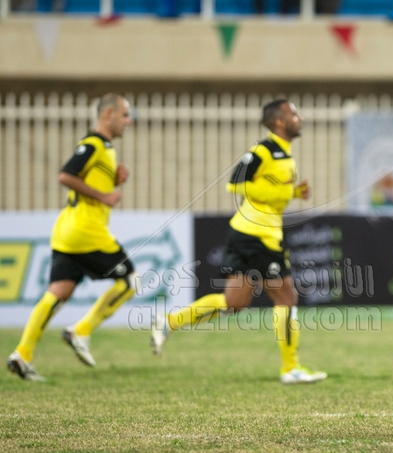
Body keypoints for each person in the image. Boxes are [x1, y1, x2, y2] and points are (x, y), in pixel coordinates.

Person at [151, 99, 327, 384]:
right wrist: (285, 193)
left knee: (234, 302)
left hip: (246, 232)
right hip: (258, 234)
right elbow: (236, 183)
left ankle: (169, 322)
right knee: (285, 297)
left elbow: (269, 190)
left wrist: (294, 193)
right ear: (279, 121)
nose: (300, 118)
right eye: (294, 113)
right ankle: (290, 368)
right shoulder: (263, 150)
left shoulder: (285, 155)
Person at [7, 93, 136, 381]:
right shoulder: (93, 144)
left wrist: (112, 180)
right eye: (125, 114)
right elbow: (66, 175)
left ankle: (22, 355)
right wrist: (104, 195)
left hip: (67, 232)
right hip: (86, 232)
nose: (129, 121)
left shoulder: (106, 149)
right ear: (108, 115)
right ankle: (81, 331)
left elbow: (85, 180)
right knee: (131, 281)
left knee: (58, 292)